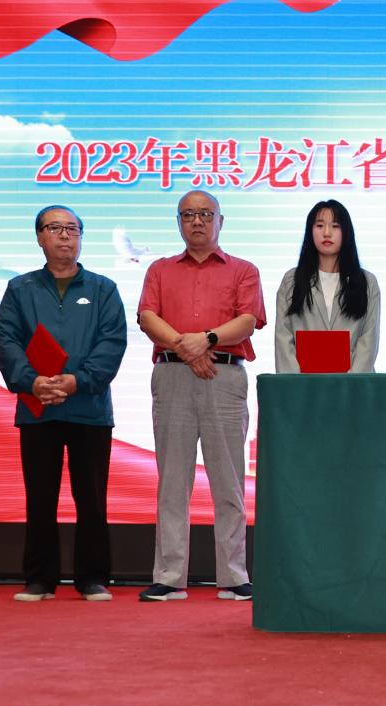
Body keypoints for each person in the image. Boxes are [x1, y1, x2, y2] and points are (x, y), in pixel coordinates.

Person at [135, 190, 265, 602]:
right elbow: (147, 316)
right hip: (171, 374)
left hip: (224, 377)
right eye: (188, 214)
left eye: (205, 214)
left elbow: (247, 320)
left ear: (220, 221)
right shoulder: (159, 269)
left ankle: (234, 575)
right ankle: (170, 576)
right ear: (178, 222)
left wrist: (205, 340)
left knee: (228, 479)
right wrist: (186, 346)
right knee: (172, 479)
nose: (197, 221)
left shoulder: (243, 270)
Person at [0, 205, 127, 602]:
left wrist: (76, 381)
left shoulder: (103, 289)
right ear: (40, 237)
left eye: (72, 229)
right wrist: (32, 381)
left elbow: (112, 341)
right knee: (40, 496)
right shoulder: (20, 289)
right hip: (38, 407)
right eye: (55, 228)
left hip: (89, 408)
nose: (65, 235)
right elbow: (6, 338)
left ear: (81, 237)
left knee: (92, 498)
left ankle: (93, 577)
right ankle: (40, 578)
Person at [274, 199, 380, 373]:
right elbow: (283, 337)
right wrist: (295, 383)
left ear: (346, 232)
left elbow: (369, 339)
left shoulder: (367, 282)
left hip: (352, 384)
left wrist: (351, 383)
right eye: (319, 225)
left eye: (335, 226)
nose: (327, 233)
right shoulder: (292, 280)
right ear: (310, 231)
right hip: (303, 383)